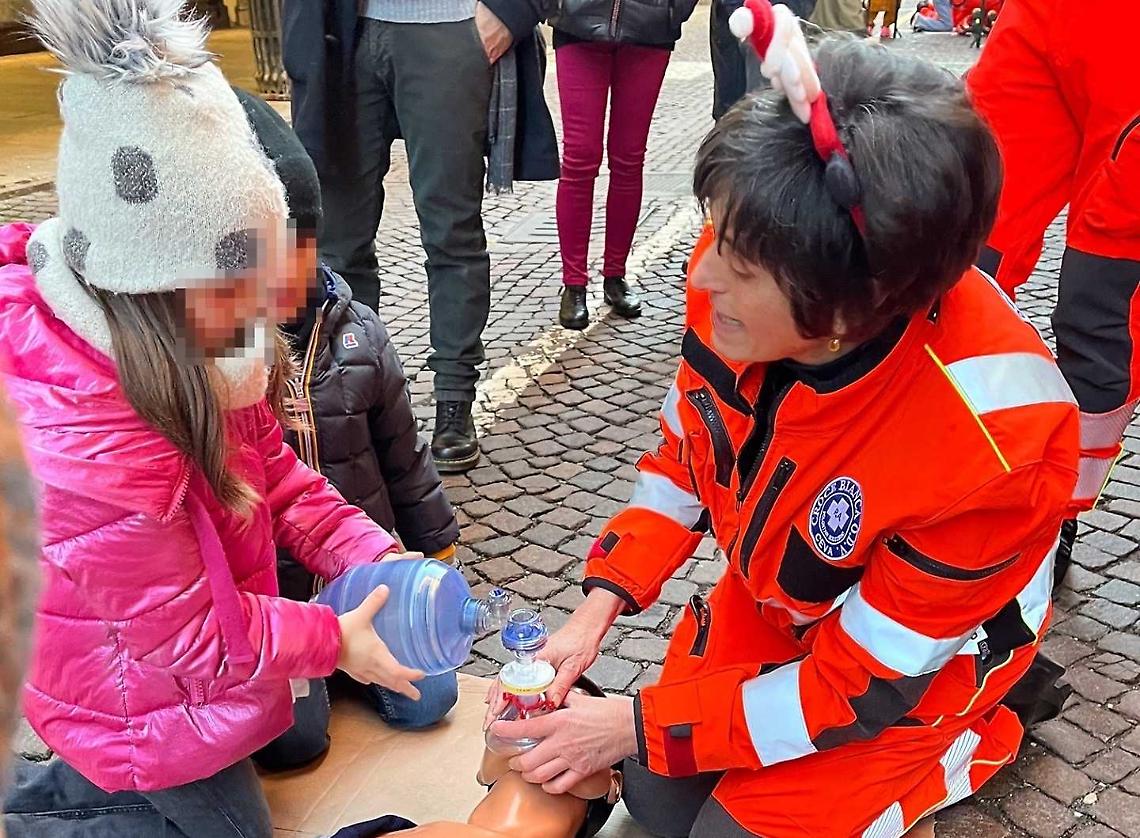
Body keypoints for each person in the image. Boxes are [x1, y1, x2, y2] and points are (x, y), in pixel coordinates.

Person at [486, 4, 1079, 836]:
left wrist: (633, 724)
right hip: (782, 604)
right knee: (656, 795)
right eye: (715, 232)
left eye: (743, 262)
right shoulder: (752, 266)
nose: (706, 279)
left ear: (853, 307)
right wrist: (598, 608)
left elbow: (859, 687)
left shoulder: (991, 445)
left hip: (903, 671)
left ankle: (971, 736)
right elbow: (686, 455)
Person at [0, 3, 426, 835]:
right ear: (160, 283)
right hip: (128, 689)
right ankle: (39, 814)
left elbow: (281, 479)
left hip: (169, 658)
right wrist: (334, 640)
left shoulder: (199, 347)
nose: (269, 307)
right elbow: (195, 637)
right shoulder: (96, 445)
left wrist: (374, 557)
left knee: (284, 738)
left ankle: (48, 789)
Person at [232, 89, 463, 771]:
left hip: (361, 579)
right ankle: (315, 680)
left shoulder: (359, 332)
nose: (290, 269)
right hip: (270, 602)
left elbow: (404, 459)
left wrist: (431, 554)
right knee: (295, 743)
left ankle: (344, 664)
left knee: (430, 699)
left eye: (300, 244)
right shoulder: (224, 362)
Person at [281, 0, 558, 474]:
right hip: (342, 33)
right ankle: (358, 397)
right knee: (340, 245)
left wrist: (513, 11)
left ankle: (453, 399)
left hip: (449, 29)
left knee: (451, 233)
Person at [967, 0, 1137, 583]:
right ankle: (940, 472)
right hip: (1044, 20)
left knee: (1103, 303)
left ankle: (1051, 514)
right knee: (955, 244)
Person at [549, 0, 700, 330]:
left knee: (629, 158)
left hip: (650, 27)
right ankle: (574, 283)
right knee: (579, 155)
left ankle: (615, 275)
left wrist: (673, 11)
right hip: (578, 22)